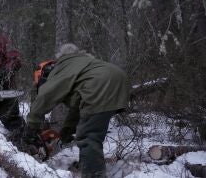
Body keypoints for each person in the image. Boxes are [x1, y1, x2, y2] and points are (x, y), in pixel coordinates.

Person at [25, 43, 130, 177]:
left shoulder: (61, 67)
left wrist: (31, 127)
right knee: (91, 130)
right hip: (120, 80)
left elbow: (45, 96)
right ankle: (88, 165)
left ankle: (93, 174)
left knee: (88, 136)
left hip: (100, 84)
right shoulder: (81, 64)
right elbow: (78, 109)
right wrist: (66, 132)